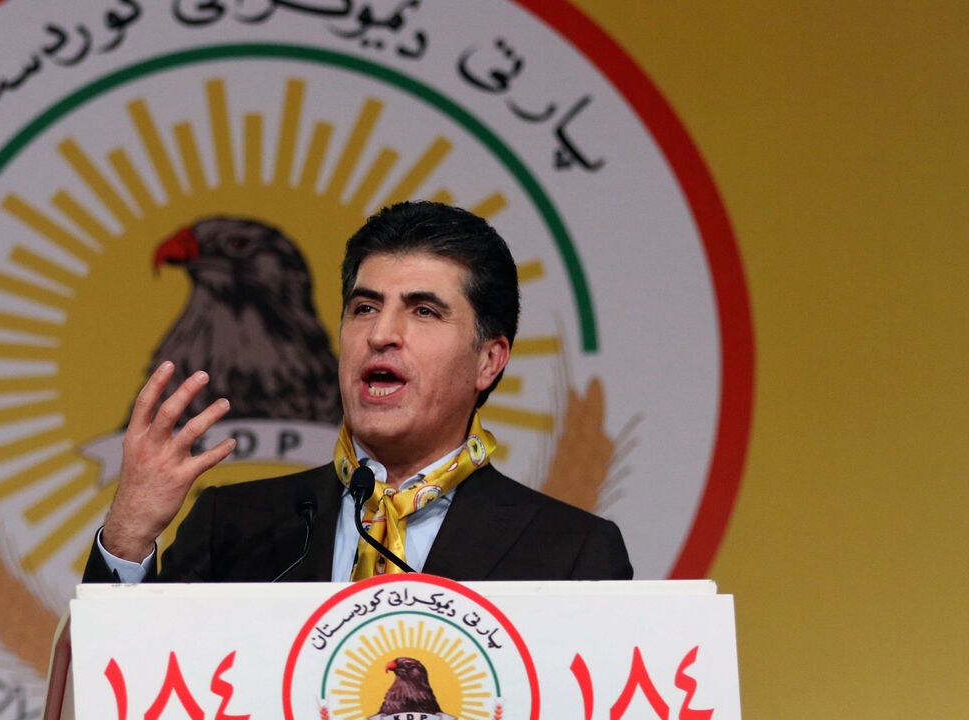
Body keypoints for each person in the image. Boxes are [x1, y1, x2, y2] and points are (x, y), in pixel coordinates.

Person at [82, 201, 632, 584]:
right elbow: (117, 692)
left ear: (489, 360)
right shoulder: (232, 527)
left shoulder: (571, 549)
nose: (380, 334)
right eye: (364, 308)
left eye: (422, 311)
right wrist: (128, 534)